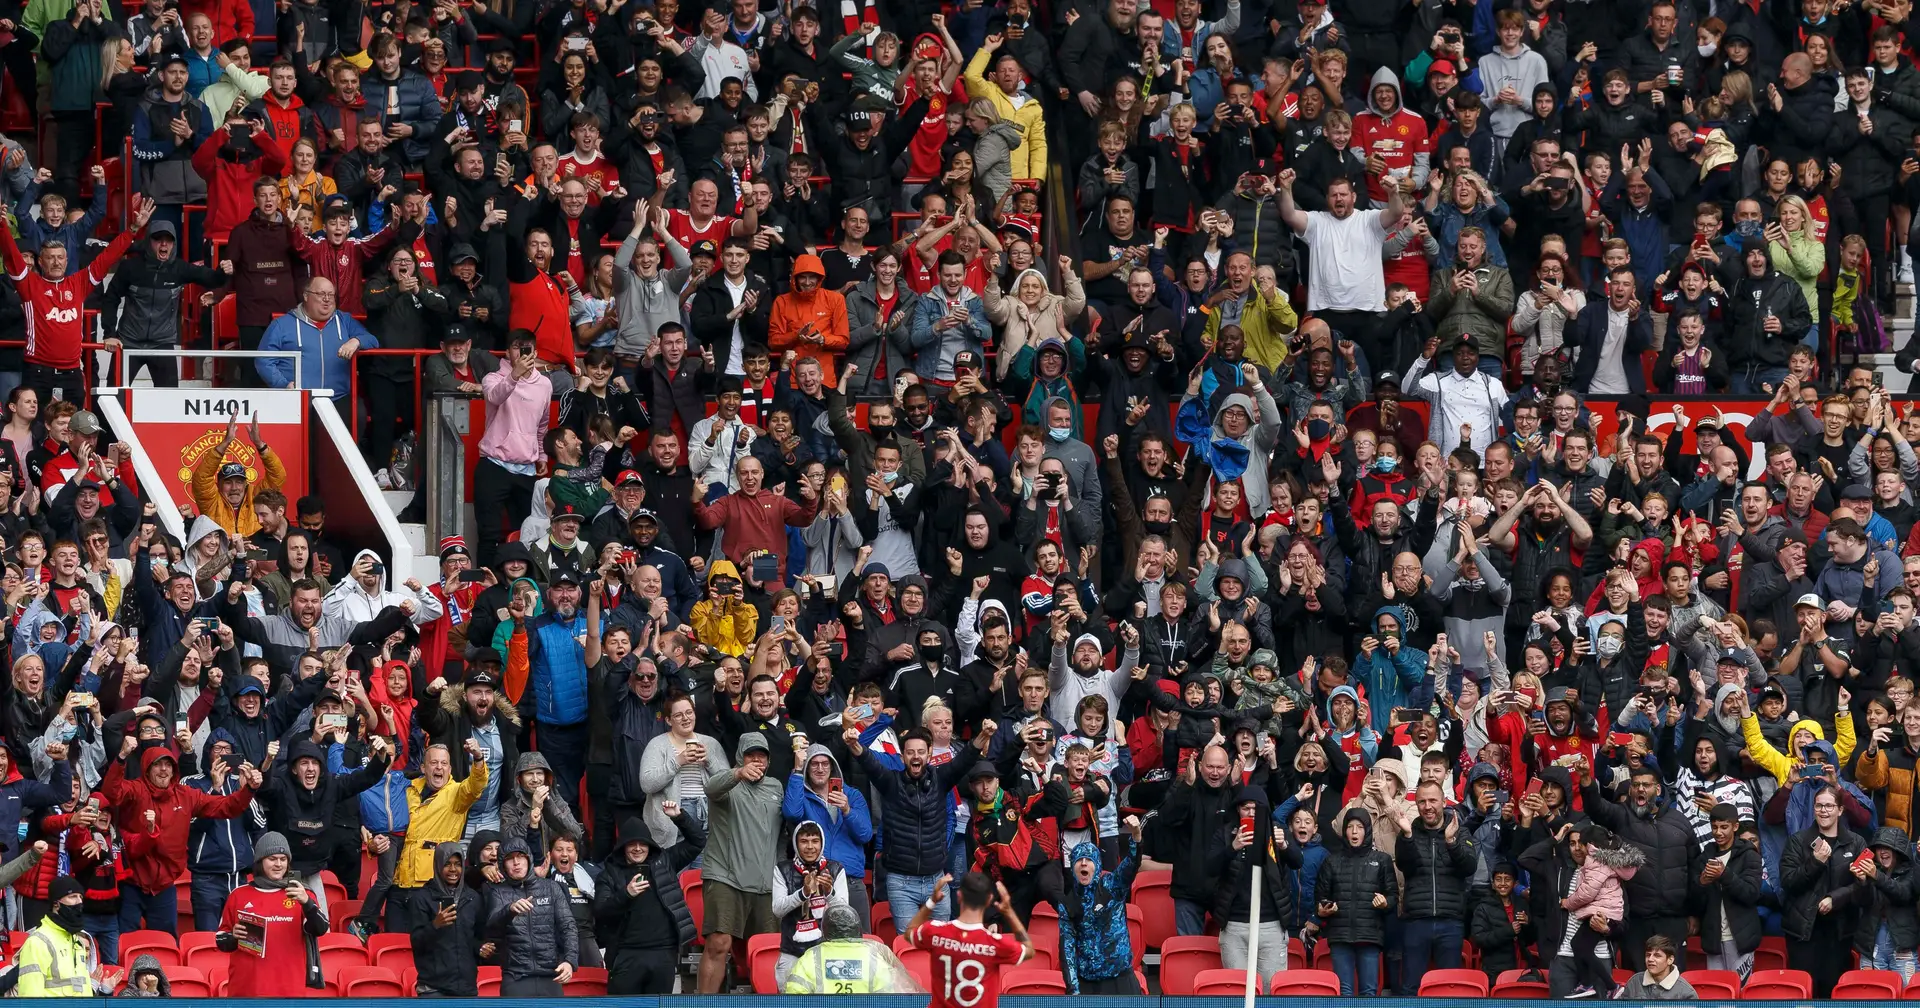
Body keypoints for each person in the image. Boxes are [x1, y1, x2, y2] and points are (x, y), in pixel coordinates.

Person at [596, 810, 707, 995]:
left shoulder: (665, 861)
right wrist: (626, 894)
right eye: (632, 844)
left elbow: (698, 841)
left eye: (643, 844)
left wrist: (679, 817)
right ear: (622, 846)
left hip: (663, 954)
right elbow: (600, 911)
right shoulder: (609, 874)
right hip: (626, 955)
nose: (638, 848)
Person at [214, 831, 328, 996]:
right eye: (272, 859)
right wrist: (233, 936)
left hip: (289, 991)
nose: (278, 864)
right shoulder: (238, 895)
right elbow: (220, 940)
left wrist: (307, 903)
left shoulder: (301, 894)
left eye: (283, 859)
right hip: (246, 990)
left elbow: (321, 929)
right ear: (260, 861)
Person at [907, 872, 1033, 1008]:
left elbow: (909, 932)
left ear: (959, 896)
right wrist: (1008, 912)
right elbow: (1029, 950)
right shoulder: (995, 943)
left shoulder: (935, 932)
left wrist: (932, 901)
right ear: (989, 900)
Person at [483, 838, 578, 995]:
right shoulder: (497, 891)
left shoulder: (551, 887)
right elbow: (491, 928)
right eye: (509, 859)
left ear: (529, 858)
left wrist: (569, 961)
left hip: (551, 974)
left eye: (520, 856)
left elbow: (568, 927)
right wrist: (509, 910)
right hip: (515, 976)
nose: (516, 862)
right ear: (502, 864)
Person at [1621, 934, 1699, 1000]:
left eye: (1657, 956)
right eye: (1648, 955)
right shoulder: (1634, 982)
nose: (1650, 959)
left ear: (1670, 960)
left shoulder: (1686, 992)